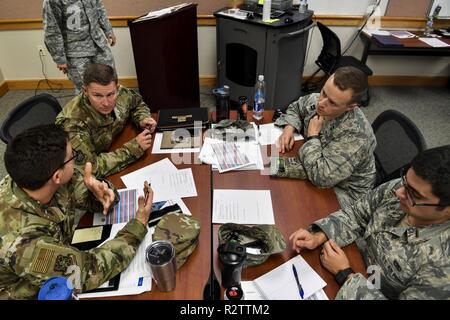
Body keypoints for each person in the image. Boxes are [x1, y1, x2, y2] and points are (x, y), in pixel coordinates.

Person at [0, 124, 153, 299]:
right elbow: (86, 272)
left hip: (62, 251)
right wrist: (139, 225)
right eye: (72, 157)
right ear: (57, 176)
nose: (75, 159)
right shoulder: (23, 243)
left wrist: (99, 194)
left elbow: (88, 192)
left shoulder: (37, 177)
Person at [289, 146, 450, 300]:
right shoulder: (403, 190)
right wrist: (319, 234)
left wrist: (345, 274)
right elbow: (358, 213)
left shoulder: (443, 267)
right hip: (354, 260)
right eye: (404, 180)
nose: (398, 192)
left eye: (414, 194)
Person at [275, 66, 376, 208]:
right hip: (316, 163)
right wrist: (289, 127)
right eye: (323, 92)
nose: (321, 103)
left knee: (290, 203)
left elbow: (321, 177)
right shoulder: (321, 100)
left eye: (332, 102)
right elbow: (296, 108)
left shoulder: (356, 137)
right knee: (273, 179)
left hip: (344, 193)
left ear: (350, 107)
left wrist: (312, 136)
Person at [56, 63, 157, 178]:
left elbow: (137, 104)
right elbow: (90, 169)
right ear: (85, 91)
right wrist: (134, 148)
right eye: (97, 96)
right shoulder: (72, 124)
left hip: (114, 146)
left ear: (117, 88)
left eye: (110, 94)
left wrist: (142, 119)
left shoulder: (119, 92)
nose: (106, 103)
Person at [43, 0, 116, 92]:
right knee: (85, 89)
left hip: (99, 45)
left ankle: (112, 105)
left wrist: (108, 31)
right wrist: (59, 58)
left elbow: (100, 9)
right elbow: (52, 28)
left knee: (110, 81)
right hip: (76, 53)